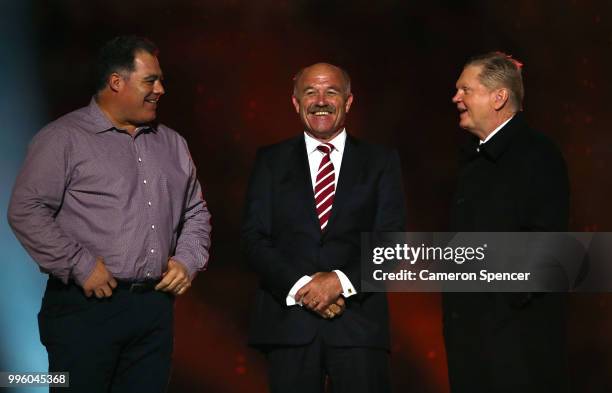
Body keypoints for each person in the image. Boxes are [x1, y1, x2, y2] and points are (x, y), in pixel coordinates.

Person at [8, 36, 211, 393]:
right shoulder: (63, 139)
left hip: (153, 310)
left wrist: (188, 260)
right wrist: (80, 265)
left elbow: (195, 211)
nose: (161, 89)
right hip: (86, 308)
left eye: (161, 80)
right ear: (117, 82)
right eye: (151, 80)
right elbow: (26, 210)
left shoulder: (173, 144)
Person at [241, 62, 406, 393]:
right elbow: (253, 239)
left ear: (348, 101)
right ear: (295, 102)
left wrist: (338, 283)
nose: (320, 100)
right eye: (310, 92)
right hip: (289, 328)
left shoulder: (381, 161)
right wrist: (306, 288)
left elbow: (392, 242)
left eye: (331, 92)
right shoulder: (269, 161)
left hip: (359, 325)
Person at [444, 52, 570, 393]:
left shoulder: (537, 154)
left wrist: (499, 307)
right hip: (476, 346)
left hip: (514, 350)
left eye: (465, 90)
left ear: (499, 97)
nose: (456, 98)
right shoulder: (473, 159)